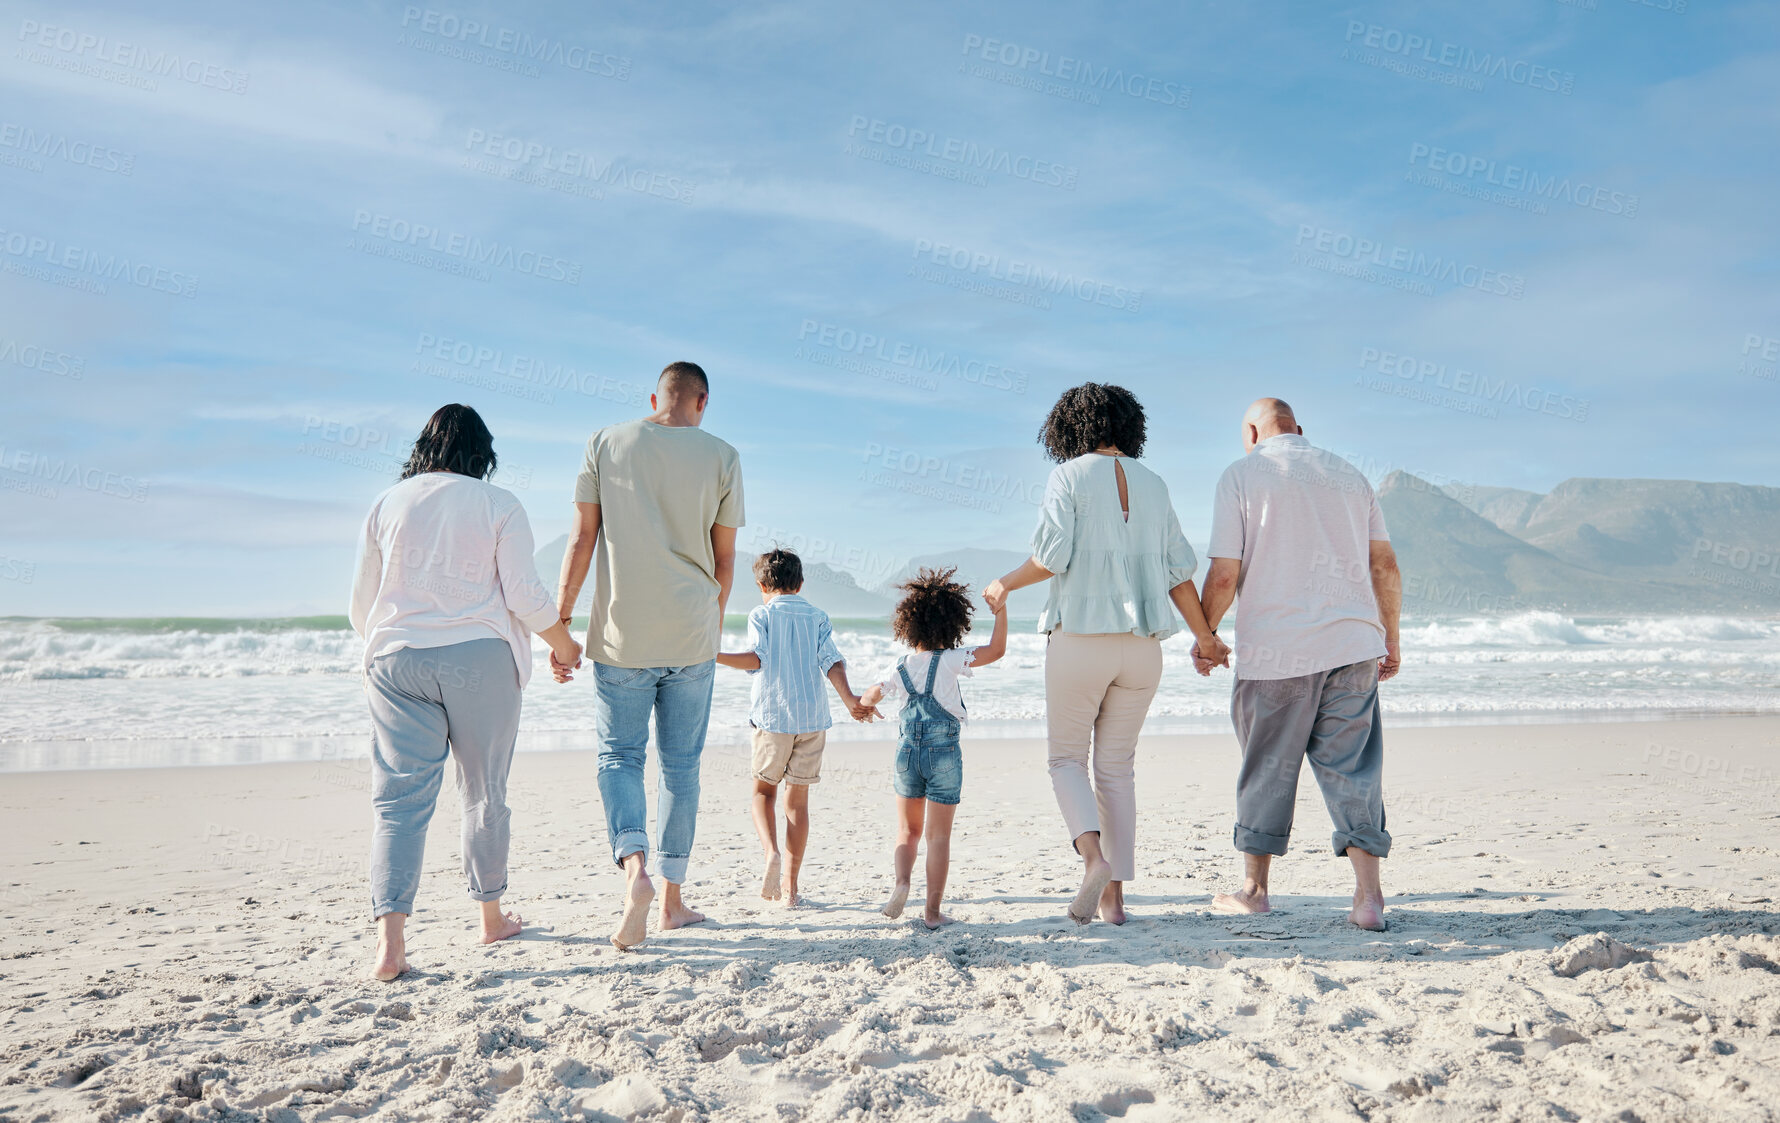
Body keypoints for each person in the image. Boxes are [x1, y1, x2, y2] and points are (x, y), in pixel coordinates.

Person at [349, 404, 584, 982]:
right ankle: (490, 918)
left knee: (398, 803)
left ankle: (391, 948)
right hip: (479, 659)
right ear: (483, 453)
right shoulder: (499, 503)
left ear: (423, 448)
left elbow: (362, 602)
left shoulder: (386, 502)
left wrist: (392, 640)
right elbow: (524, 594)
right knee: (483, 793)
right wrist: (564, 645)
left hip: (395, 659)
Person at [985, 384, 1229, 925]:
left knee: (1066, 760)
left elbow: (1052, 557)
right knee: (1116, 768)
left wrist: (1003, 585)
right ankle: (1115, 903)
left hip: (1081, 642)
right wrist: (1205, 638)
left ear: (1069, 428)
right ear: (1128, 425)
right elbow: (1177, 572)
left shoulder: (1067, 476)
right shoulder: (1156, 484)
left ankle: (1093, 860)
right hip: (1143, 651)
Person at [554, 362, 744, 950]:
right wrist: (709, 628)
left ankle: (634, 867)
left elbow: (583, 539)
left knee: (619, 757)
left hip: (621, 635)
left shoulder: (604, 443)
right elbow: (725, 557)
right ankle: (672, 901)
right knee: (681, 768)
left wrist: (560, 620)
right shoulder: (723, 455)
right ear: (702, 401)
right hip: (690, 632)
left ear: (654, 397)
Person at [1193, 397, 1403, 931]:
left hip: (1274, 653)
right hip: (1353, 646)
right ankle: (1368, 898)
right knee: (1354, 770)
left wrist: (1206, 635)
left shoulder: (1242, 474)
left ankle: (1255, 890)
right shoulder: (1351, 476)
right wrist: (1390, 638)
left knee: (1267, 766)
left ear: (1252, 431)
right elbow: (1384, 565)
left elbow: (1222, 573)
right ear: (1299, 429)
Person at [715, 548, 875, 907]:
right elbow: (831, 661)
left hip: (773, 718)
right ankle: (790, 889)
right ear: (800, 583)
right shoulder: (816, 616)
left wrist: (714, 653)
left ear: (760, 585)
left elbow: (757, 658)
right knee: (797, 803)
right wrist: (850, 700)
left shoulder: (762, 614)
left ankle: (771, 852)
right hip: (813, 721)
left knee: (762, 793)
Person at [860, 568, 1007, 930]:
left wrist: (866, 705)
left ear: (909, 626)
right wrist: (1000, 612)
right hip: (943, 755)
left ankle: (901, 884)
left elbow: (870, 693)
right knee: (938, 836)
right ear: (952, 624)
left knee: (907, 831)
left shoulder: (901, 666)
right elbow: (996, 650)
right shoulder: (953, 660)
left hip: (907, 754)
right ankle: (932, 912)